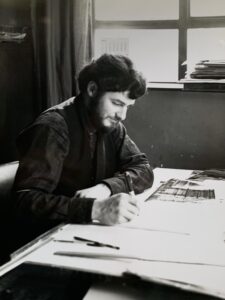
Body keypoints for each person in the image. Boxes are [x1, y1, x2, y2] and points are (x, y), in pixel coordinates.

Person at [13, 54, 154, 241]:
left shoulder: (111, 125)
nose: (122, 115)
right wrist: (96, 209)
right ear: (92, 89)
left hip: (84, 233)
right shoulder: (53, 128)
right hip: (45, 242)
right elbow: (24, 201)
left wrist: (106, 188)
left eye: (128, 106)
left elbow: (143, 169)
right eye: (117, 103)